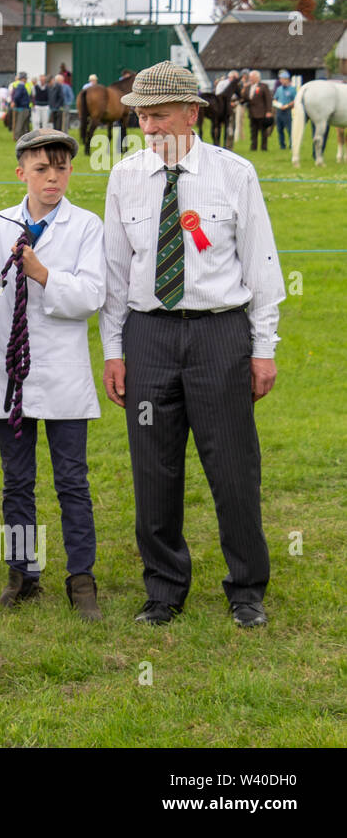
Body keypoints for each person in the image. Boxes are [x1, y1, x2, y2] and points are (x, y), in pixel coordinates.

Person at [101, 61, 283, 629]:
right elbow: (113, 273)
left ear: (192, 112)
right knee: (153, 468)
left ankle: (246, 589)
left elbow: (262, 267)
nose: (149, 129)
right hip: (148, 336)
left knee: (232, 467)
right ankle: (163, 590)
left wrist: (263, 347)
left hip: (220, 336)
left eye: (158, 117)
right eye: (142, 118)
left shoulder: (236, 174)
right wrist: (114, 349)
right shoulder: (125, 177)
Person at [0, 128, 106, 619]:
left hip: (62, 374)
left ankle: (82, 580)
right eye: (41, 168)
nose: (52, 177)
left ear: (71, 171)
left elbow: (91, 296)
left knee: (72, 481)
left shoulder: (86, 226)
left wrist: (43, 274)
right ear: (21, 173)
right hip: (8, 374)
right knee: (17, 482)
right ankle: (22, 574)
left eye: (61, 167)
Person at [246, 70, 272, 152]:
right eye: (250, 77)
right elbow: (244, 98)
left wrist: (268, 111)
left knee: (263, 132)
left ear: (257, 78)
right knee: (253, 131)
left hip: (262, 113)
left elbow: (268, 99)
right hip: (251, 113)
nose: (250, 79)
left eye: (252, 77)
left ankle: (264, 147)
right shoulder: (248, 87)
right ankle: (253, 147)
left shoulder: (263, 86)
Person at [272, 70, 296, 150]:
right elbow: (275, 98)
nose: (282, 80)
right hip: (279, 111)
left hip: (288, 111)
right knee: (279, 129)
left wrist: (287, 105)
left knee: (289, 129)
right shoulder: (279, 89)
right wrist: (277, 104)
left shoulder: (292, 89)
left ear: (287, 79)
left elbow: (295, 100)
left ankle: (292, 145)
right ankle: (282, 145)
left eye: (283, 79)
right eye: (281, 79)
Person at [10, 73, 31, 141]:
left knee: (24, 124)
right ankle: (17, 137)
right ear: (23, 79)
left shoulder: (21, 86)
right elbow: (17, 96)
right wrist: (14, 102)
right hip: (22, 108)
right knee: (20, 123)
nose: (26, 80)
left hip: (24, 107)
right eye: (25, 78)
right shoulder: (21, 86)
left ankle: (23, 138)